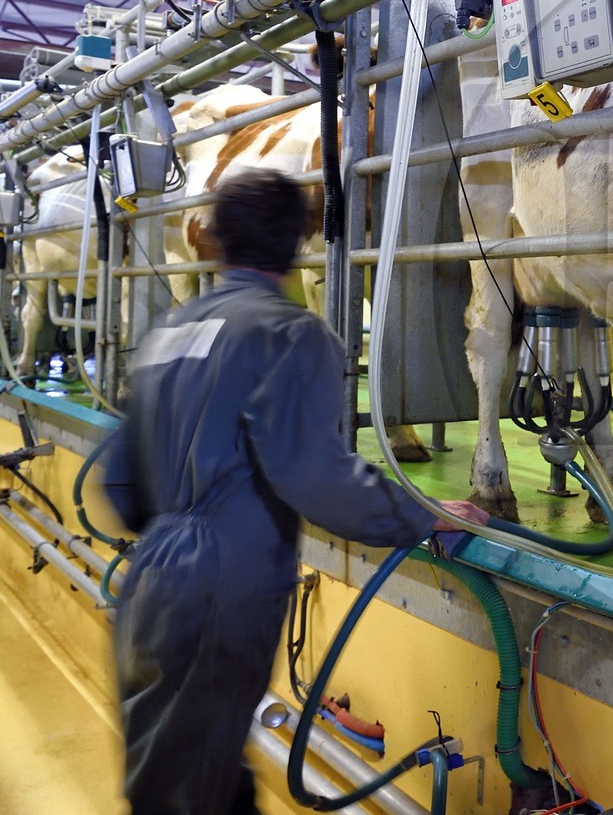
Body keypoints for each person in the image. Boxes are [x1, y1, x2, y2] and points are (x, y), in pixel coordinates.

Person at [100, 167, 489, 815]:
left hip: (148, 581)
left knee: (185, 770)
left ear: (215, 242)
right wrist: (421, 515)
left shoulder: (170, 330)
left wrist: (171, 542)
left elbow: (119, 482)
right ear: (300, 243)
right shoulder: (290, 333)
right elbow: (316, 477)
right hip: (221, 586)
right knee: (192, 787)